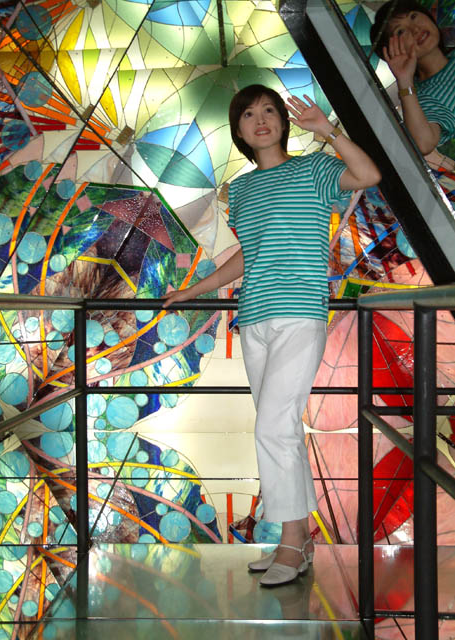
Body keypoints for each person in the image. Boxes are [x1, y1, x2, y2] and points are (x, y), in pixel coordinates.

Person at [162, 84, 381, 587]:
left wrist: (327, 131)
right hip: (255, 315)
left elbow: (368, 175)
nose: (260, 119)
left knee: (273, 427)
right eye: (248, 114)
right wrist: (196, 288)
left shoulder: (315, 168)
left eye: (268, 110)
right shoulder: (239, 190)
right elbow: (249, 253)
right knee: (282, 430)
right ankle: (299, 541)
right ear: (238, 131)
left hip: (301, 311)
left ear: (283, 120)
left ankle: (290, 539)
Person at [370, 0, 455, 165]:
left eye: (413, 16)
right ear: (391, 50)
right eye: (401, 31)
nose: (415, 29)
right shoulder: (425, 96)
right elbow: (424, 144)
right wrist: (404, 80)